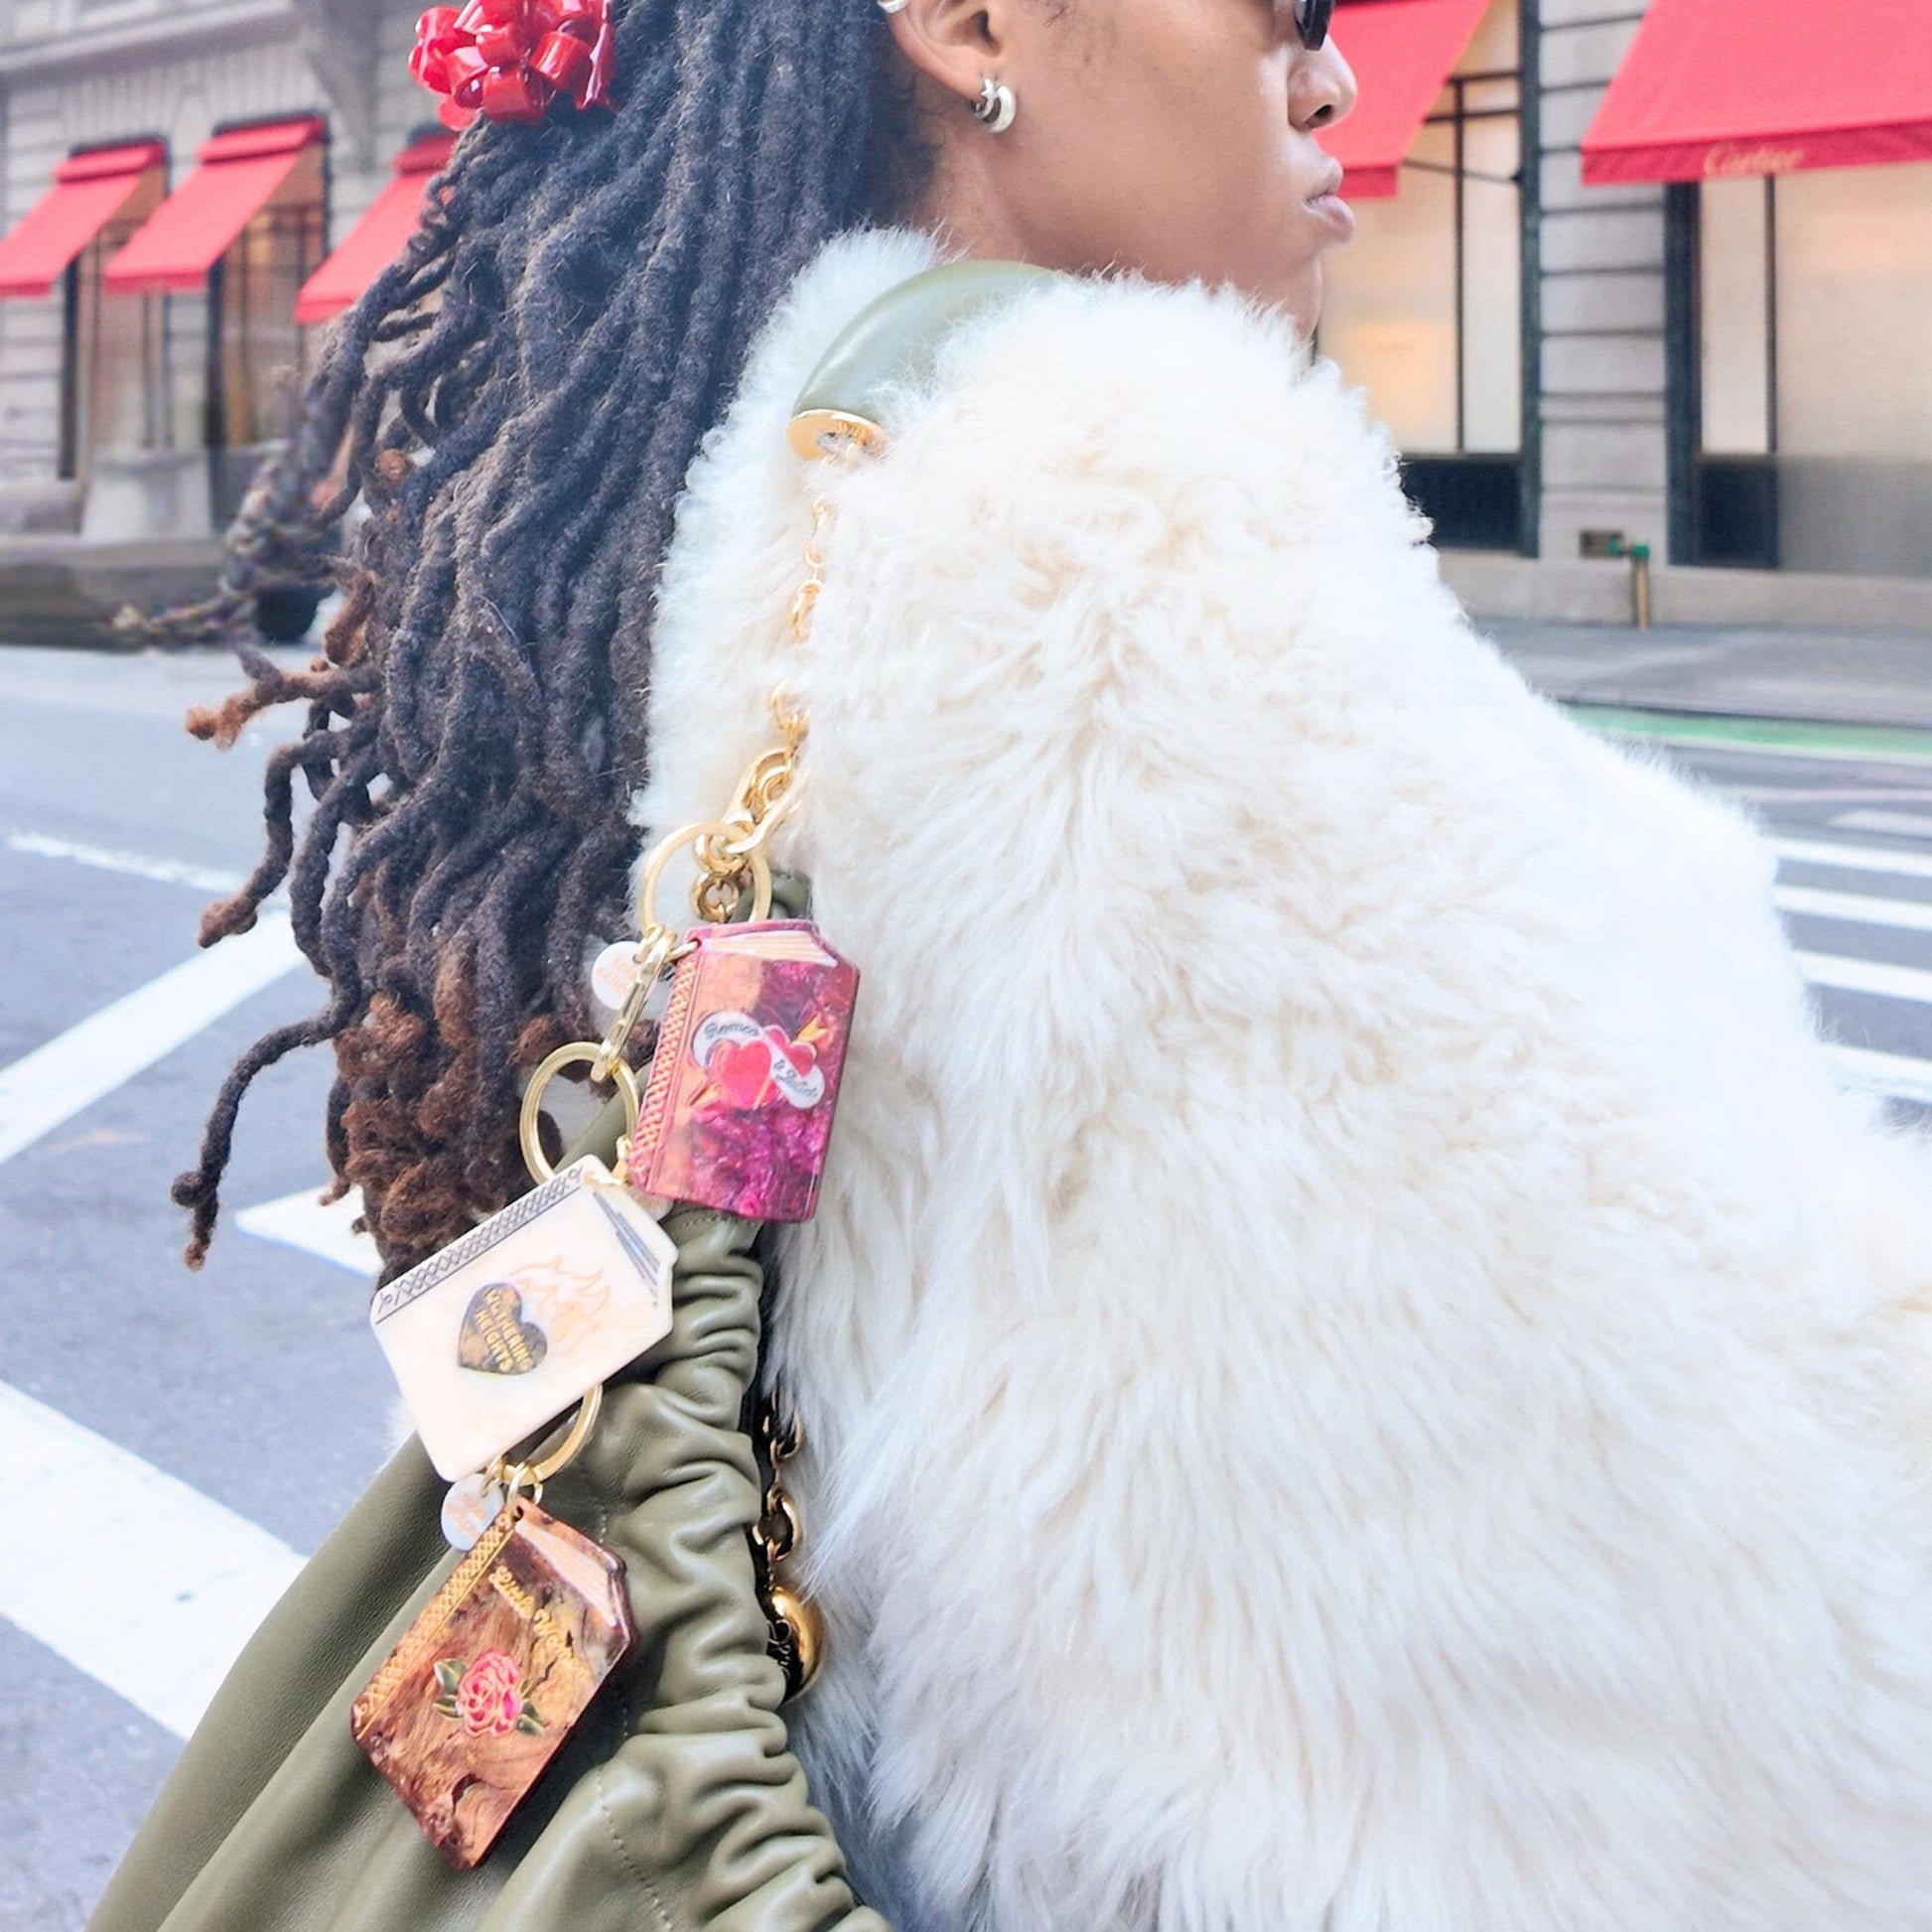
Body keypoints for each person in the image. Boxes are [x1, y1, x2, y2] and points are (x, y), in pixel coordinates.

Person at [97, 1, 1932, 1928]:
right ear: (965, 25)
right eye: (1272, 16)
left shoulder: (786, 484)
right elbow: (1701, 1600)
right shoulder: (1132, 555)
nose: (1329, 76)